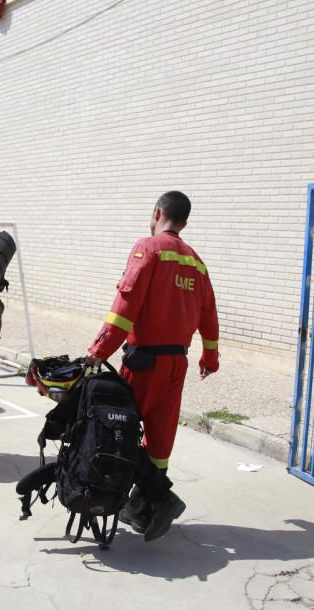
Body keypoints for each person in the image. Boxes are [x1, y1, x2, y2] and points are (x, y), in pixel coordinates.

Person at [86, 191, 220, 540]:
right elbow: (209, 314)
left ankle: (157, 499)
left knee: (120, 430)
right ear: (185, 222)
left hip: (145, 362)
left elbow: (124, 308)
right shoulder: (197, 262)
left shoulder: (148, 249)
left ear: (158, 212)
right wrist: (210, 356)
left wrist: (99, 350)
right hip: (178, 362)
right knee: (160, 438)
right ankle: (143, 506)